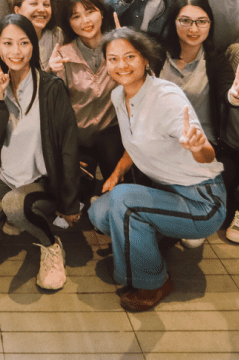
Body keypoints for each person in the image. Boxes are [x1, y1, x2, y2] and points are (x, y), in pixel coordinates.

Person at [89, 28, 226, 311]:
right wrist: (116, 173)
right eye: (113, 59)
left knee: (124, 202)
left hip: (203, 201)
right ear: (106, 63)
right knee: (99, 214)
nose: (122, 65)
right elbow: (135, 138)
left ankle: (154, 282)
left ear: (145, 59)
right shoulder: (119, 96)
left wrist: (198, 145)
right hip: (169, 193)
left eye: (130, 57)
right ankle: (155, 235)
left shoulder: (166, 96)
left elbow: (206, 155)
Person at [0, 14, 80, 291]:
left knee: (16, 205)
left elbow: (68, 147)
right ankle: (17, 215)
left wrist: (70, 204)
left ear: (33, 47)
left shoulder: (51, 88)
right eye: (8, 43)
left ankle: (51, 246)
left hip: (41, 180)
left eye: (24, 43)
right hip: (6, 177)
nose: (16, 51)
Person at [158, 0, 239, 244]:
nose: (194, 29)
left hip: (203, 143)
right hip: (162, 141)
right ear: (173, 22)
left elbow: (228, 90)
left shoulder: (216, 61)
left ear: (210, 25)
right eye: (185, 21)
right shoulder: (157, 54)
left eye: (201, 21)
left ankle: (190, 218)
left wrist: (234, 96)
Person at [49, 0, 121, 201]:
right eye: (76, 16)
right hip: (77, 136)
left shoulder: (118, 47)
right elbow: (53, 109)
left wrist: (129, 46)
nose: (85, 21)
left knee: (116, 183)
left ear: (102, 13)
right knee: (77, 195)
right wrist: (50, 74)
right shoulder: (62, 55)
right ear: (69, 23)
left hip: (110, 130)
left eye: (90, 12)